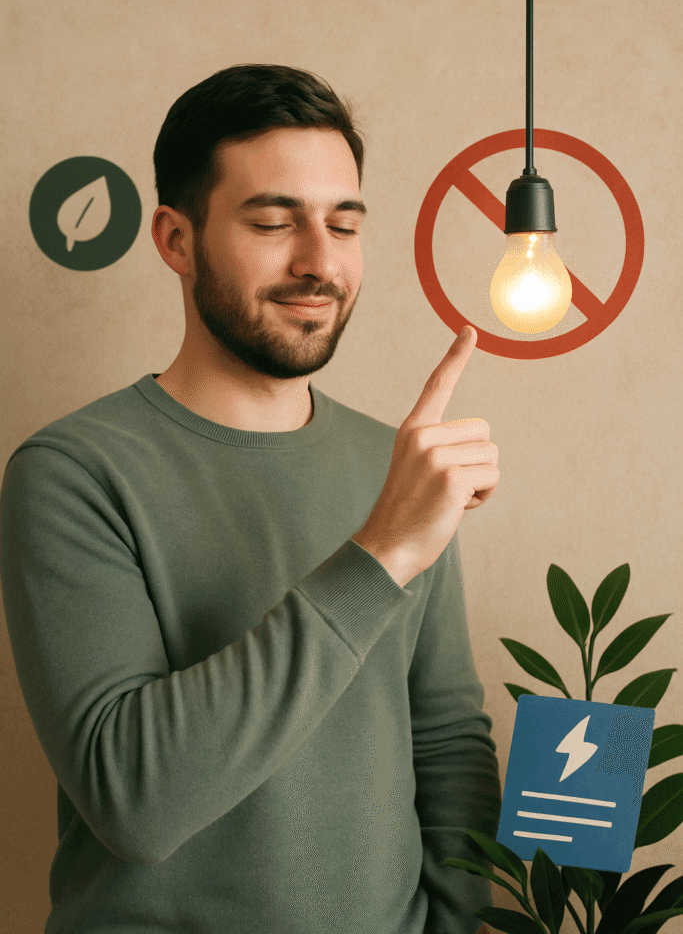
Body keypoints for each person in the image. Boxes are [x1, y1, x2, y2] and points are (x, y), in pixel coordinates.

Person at [0, 64, 502, 933]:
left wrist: (450, 923)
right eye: (272, 222)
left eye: (343, 225)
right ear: (175, 239)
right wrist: (380, 553)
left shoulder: (395, 464)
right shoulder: (71, 470)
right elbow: (135, 798)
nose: (318, 262)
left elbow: (447, 740)